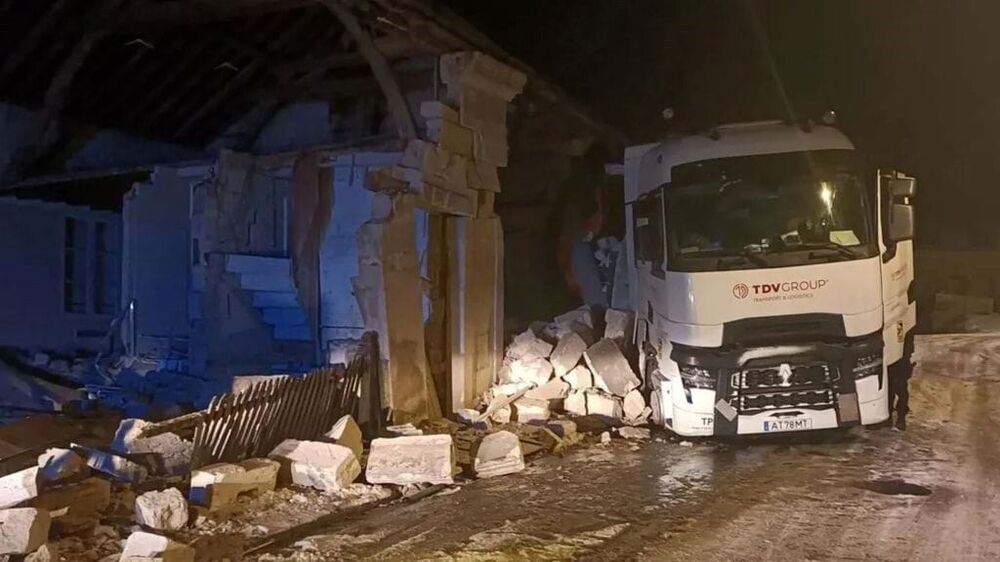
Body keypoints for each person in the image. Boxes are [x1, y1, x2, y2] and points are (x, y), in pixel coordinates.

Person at [887, 336, 915, 430]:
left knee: (900, 390)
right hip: (892, 358)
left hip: (900, 359)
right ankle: (890, 417)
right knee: (891, 390)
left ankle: (900, 418)